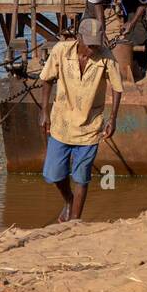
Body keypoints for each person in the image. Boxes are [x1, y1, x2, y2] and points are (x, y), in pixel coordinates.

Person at [37, 17, 123, 223]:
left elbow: (118, 88)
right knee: (53, 174)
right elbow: (47, 79)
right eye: (89, 44)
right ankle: (69, 201)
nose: (93, 49)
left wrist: (113, 118)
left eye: (96, 44)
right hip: (62, 123)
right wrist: (44, 111)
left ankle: (75, 222)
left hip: (90, 126)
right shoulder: (61, 51)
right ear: (78, 38)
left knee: (82, 177)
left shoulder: (106, 58)